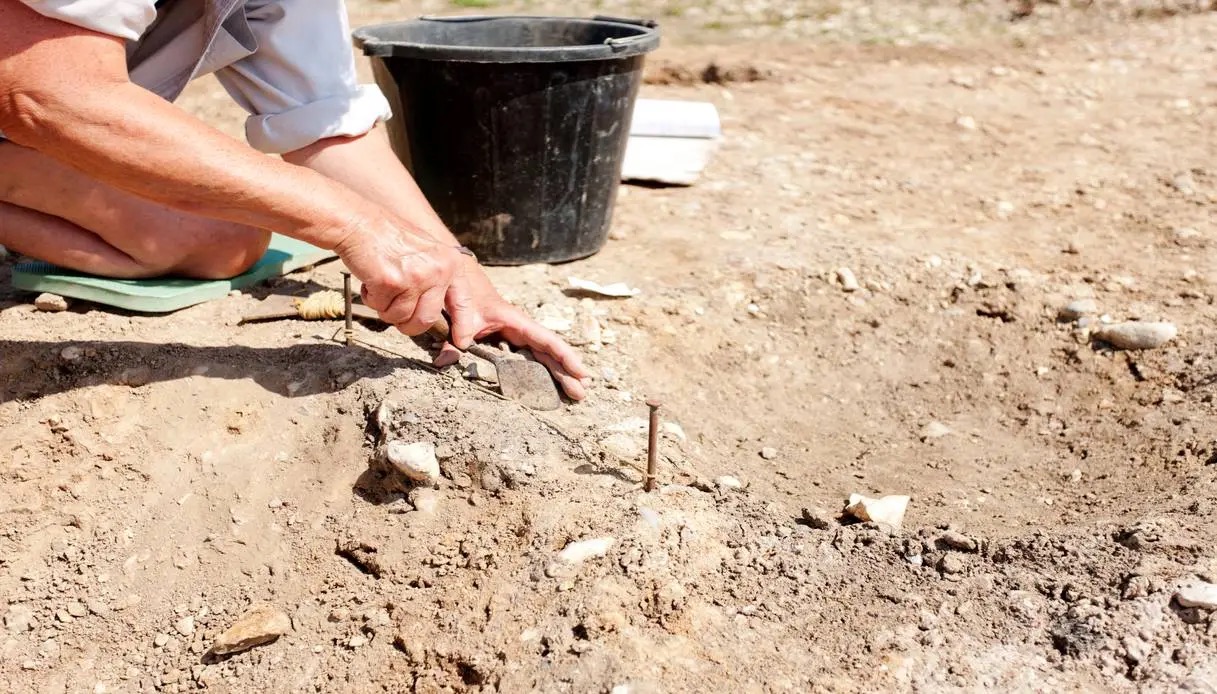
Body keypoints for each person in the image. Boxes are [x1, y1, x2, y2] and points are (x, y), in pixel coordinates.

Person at [0, 0, 589, 400]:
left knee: (218, 240)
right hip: (36, 98)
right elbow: (44, 93)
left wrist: (457, 269)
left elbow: (325, 120)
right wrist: (354, 225)